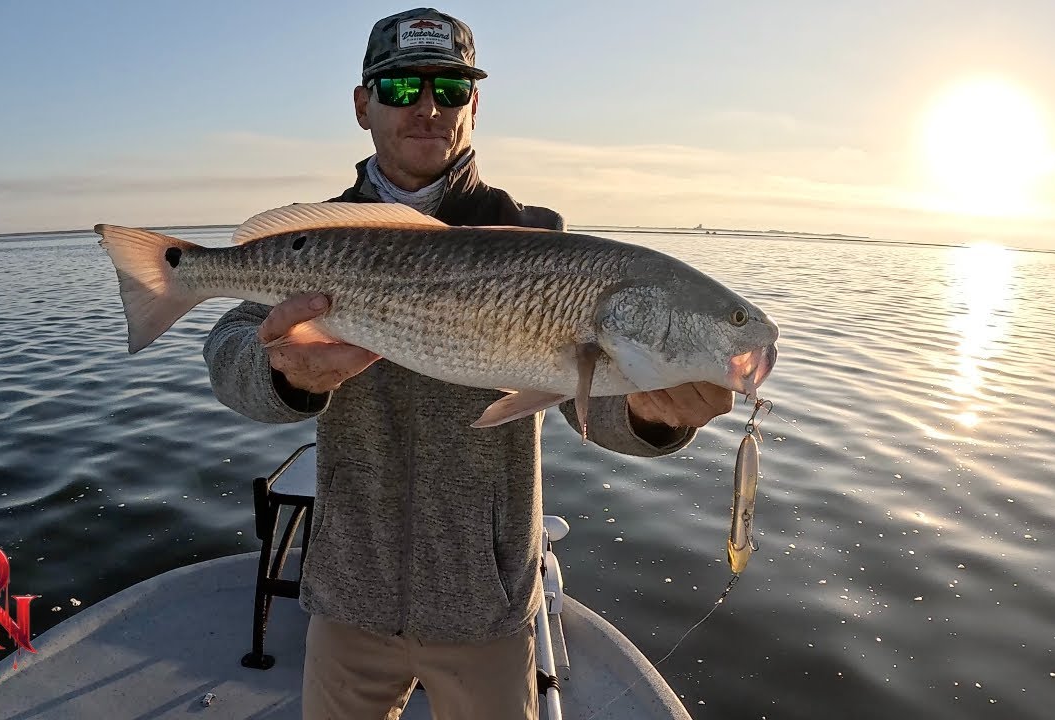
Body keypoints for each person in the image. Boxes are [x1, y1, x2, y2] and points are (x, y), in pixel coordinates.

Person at [204, 8, 734, 719]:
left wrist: (652, 416)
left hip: (484, 606)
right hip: (349, 595)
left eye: (451, 90)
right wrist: (282, 376)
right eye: (399, 89)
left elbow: (591, 401)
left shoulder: (538, 239)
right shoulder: (315, 234)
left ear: (474, 106)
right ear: (362, 104)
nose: (427, 107)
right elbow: (230, 349)